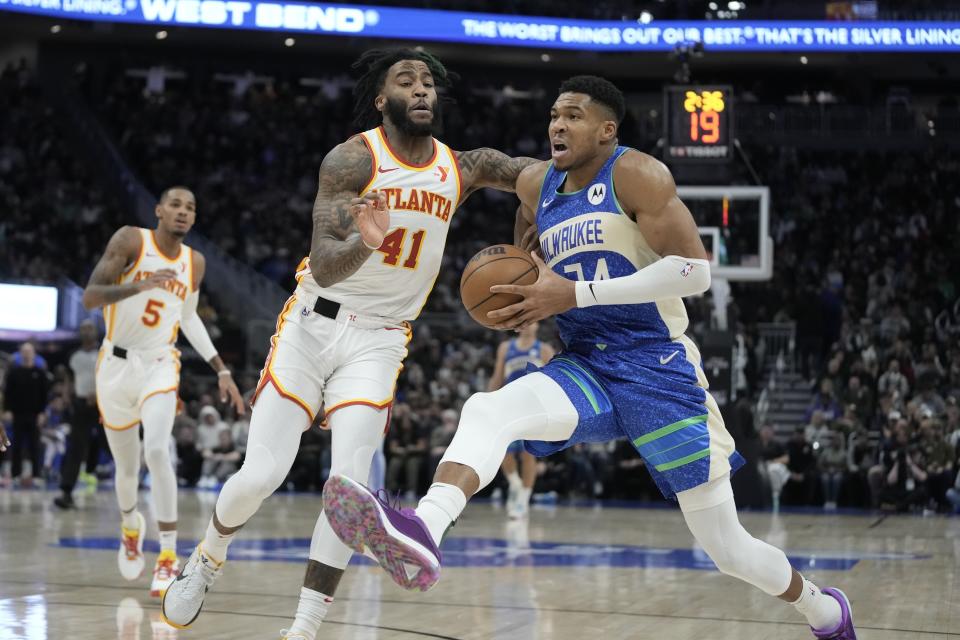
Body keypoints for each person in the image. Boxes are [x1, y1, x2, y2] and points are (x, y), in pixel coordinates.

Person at [323, 76, 858, 640]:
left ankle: (824, 611)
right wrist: (524, 287)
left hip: (658, 369)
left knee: (727, 549)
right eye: (554, 114)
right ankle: (422, 532)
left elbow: (695, 271)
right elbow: (510, 219)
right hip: (586, 364)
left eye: (573, 116)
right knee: (488, 408)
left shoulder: (636, 174)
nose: (558, 124)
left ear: (606, 130)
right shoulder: (537, 184)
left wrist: (572, 294)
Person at [161, 47, 536, 639]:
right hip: (312, 324)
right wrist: (367, 240)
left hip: (382, 341)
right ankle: (207, 556)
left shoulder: (461, 166)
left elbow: (530, 174)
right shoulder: (351, 160)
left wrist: (552, 205)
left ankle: (304, 628)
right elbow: (329, 267)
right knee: (262, 474)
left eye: (428, 83)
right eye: (405, 82)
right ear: (383, 99)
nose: (421, 90)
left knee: (350, 491)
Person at [81, 186, 244, 598]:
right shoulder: (130, 239)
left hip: (160, 364)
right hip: (116, 365)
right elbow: (90, 297)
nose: (183, 212)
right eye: (175, 204)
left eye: (191, 207)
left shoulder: (196, 262)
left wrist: (220, 368)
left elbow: (188, 319)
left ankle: (168, 556)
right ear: (158, 210)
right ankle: (131, 525)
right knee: (127, 467)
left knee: (157, 448)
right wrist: (142, 285)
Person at [487, 321, 554, 518]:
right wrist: (488, 400)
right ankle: (515, 485)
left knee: (527, 453)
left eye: (530, 321)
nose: (527, 325)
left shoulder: (544, 349)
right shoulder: (506, 348)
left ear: (538, 325)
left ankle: (523, 500)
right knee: (502, 451)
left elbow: (552, 381)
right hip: (508, 404)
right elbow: (497, 376)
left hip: (533, 406)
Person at [55, 320, 102, 509]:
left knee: (111, 445)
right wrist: (66, 395)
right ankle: (66, 492)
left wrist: (100, 394)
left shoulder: (105, 352)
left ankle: (133, 488)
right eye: (83, 328)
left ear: (96, 331)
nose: (86, 331)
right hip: (81, 404)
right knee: (75, 447)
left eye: (89, 328)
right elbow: (69, 378)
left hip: (104, 405)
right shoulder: (73, 355)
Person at [2, 342, 49, 487]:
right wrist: (7, 410)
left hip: (35, 415)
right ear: (20, 354)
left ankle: (36, 474)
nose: (27, 354)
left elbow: (44, 395)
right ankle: (16, 474)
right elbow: (7, 394)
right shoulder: (14, 373)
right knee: (17, 445)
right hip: (17, 414)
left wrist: (42, 413)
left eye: (29, 351)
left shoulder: (40, 373)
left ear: (34, 353)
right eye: (24, 351)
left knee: (35, 444)